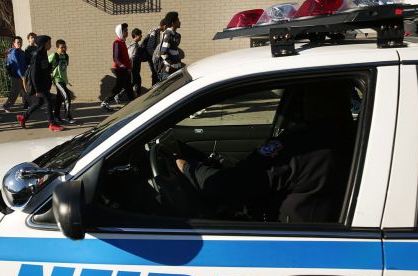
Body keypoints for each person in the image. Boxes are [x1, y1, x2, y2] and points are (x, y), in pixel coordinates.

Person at [174, 82, 355, 223]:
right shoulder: (354, 136)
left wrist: (189, 168)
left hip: (290, 244)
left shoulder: (302, 147)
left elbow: (225, 187)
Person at [17, 35, 63, 131]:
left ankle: (23, 117)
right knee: (49, 101)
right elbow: (34, 74)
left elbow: (44, 67)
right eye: (49, 43)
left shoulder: (44, 53)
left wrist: (52, 65)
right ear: (43, 44)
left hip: (44, 84)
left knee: (39, 102)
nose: (50, 45)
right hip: (39, 86)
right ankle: (52, 123)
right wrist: (37, 90)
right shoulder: (37, 55)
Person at [100, 23, 135, 112]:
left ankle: (105, 102)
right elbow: (115, 58)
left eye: (127, 30)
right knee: (128, 87)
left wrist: (129, 67)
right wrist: (124, 67)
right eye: (125, 30)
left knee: (118, 87)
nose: (127, 32)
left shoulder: (123, 42)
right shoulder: (117, 42)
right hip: (120, 69)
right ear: (120, 32)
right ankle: (134, 105)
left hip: (125, 69)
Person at [50, 39, 75, 124]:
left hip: (64, 80)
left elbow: (64, 68)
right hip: (57, 80)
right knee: (67, 96)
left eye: (65, 47)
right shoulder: (54, 55)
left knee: (59, 99)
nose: (64, 49)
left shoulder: (66, 56)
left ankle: (56, 116)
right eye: (62, 47)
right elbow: (45, 65)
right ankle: (68, 116)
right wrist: (50, 74)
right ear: (57, 48)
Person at [3, 36, 29, 112]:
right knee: (15, 92)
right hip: (17, 76)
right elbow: (17, 65)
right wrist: (22, 75)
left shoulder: (22, 52)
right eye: (17, 42)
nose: (19, 43)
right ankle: (6, 105)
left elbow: (24, 64)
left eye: (20, 42)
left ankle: (34, 104)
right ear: (14, 44)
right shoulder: (14, 52)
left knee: (26, 90)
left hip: (23, 75)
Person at [158, 12, 182, 81]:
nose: (179, 22)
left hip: (175, 70)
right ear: (172, 23)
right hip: (169, 71)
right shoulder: (168, 34)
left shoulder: (175, 34)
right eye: (177, 20)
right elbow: (163, 52)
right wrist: (172, 64)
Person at [143, 19, 167, 85]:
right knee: (155, 75)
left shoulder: (159, 32)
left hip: (154, 58)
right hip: (153, 58)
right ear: (164, 26)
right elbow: (149, 47)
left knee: (156, 74)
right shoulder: (155, 31)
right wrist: (156, 56)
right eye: (166, 27)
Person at [128, 28, 143, 97]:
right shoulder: (134, 45)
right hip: (134, 65)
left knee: (137, 81)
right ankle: (119, 95)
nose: (141, 36)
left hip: (135, 65)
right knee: (135, 81)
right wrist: (131, 66)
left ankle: (137, 96)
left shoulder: (135, 44)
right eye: (140, 35)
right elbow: (131, 56)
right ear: (136, 35)